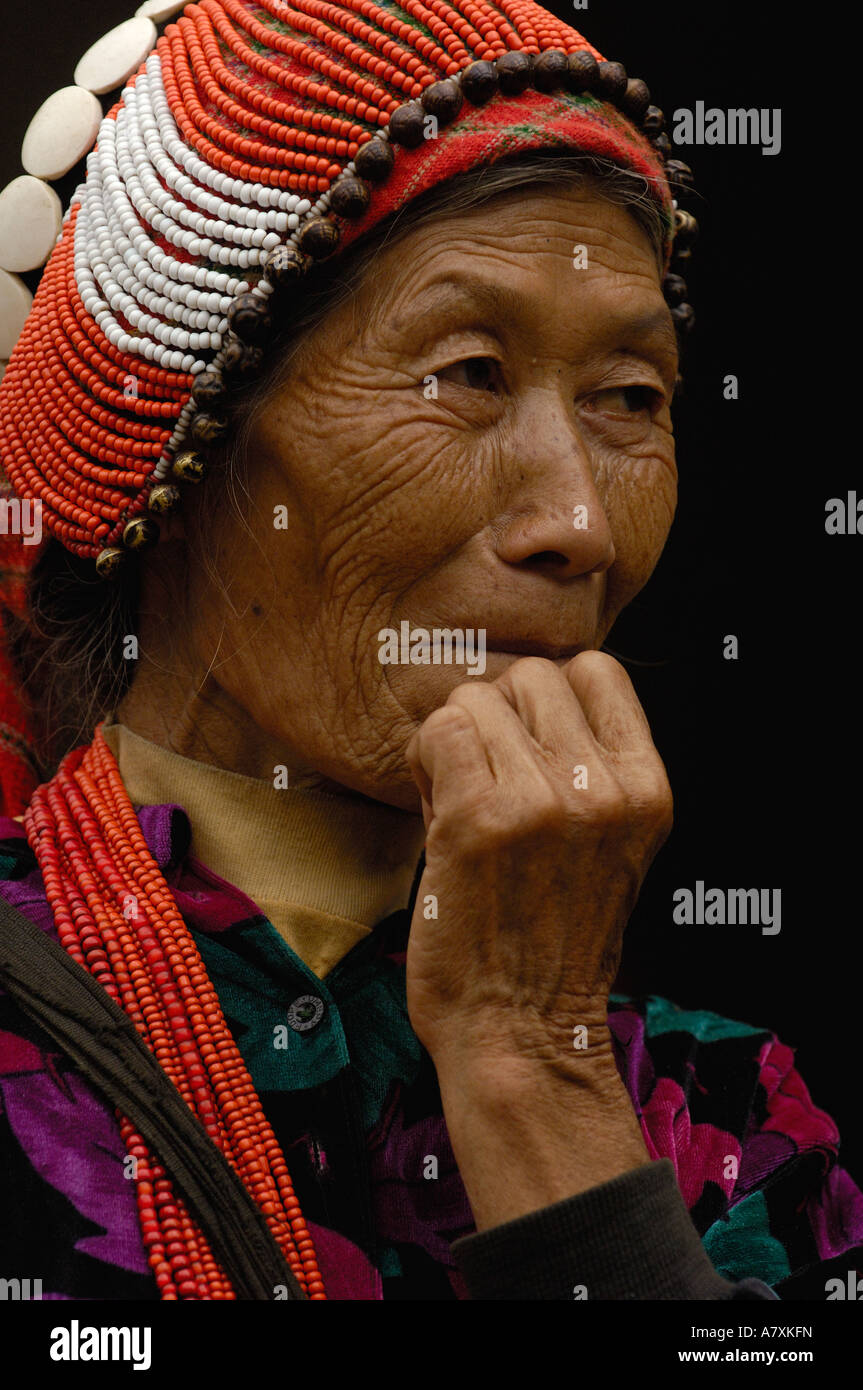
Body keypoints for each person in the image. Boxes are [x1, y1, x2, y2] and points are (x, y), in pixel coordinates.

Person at [0, 0, 859, 1302]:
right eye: (464, 372)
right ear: (179, 436)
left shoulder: (726, 1120)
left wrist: (538, 1073)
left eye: (632, 398)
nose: (577, 521)